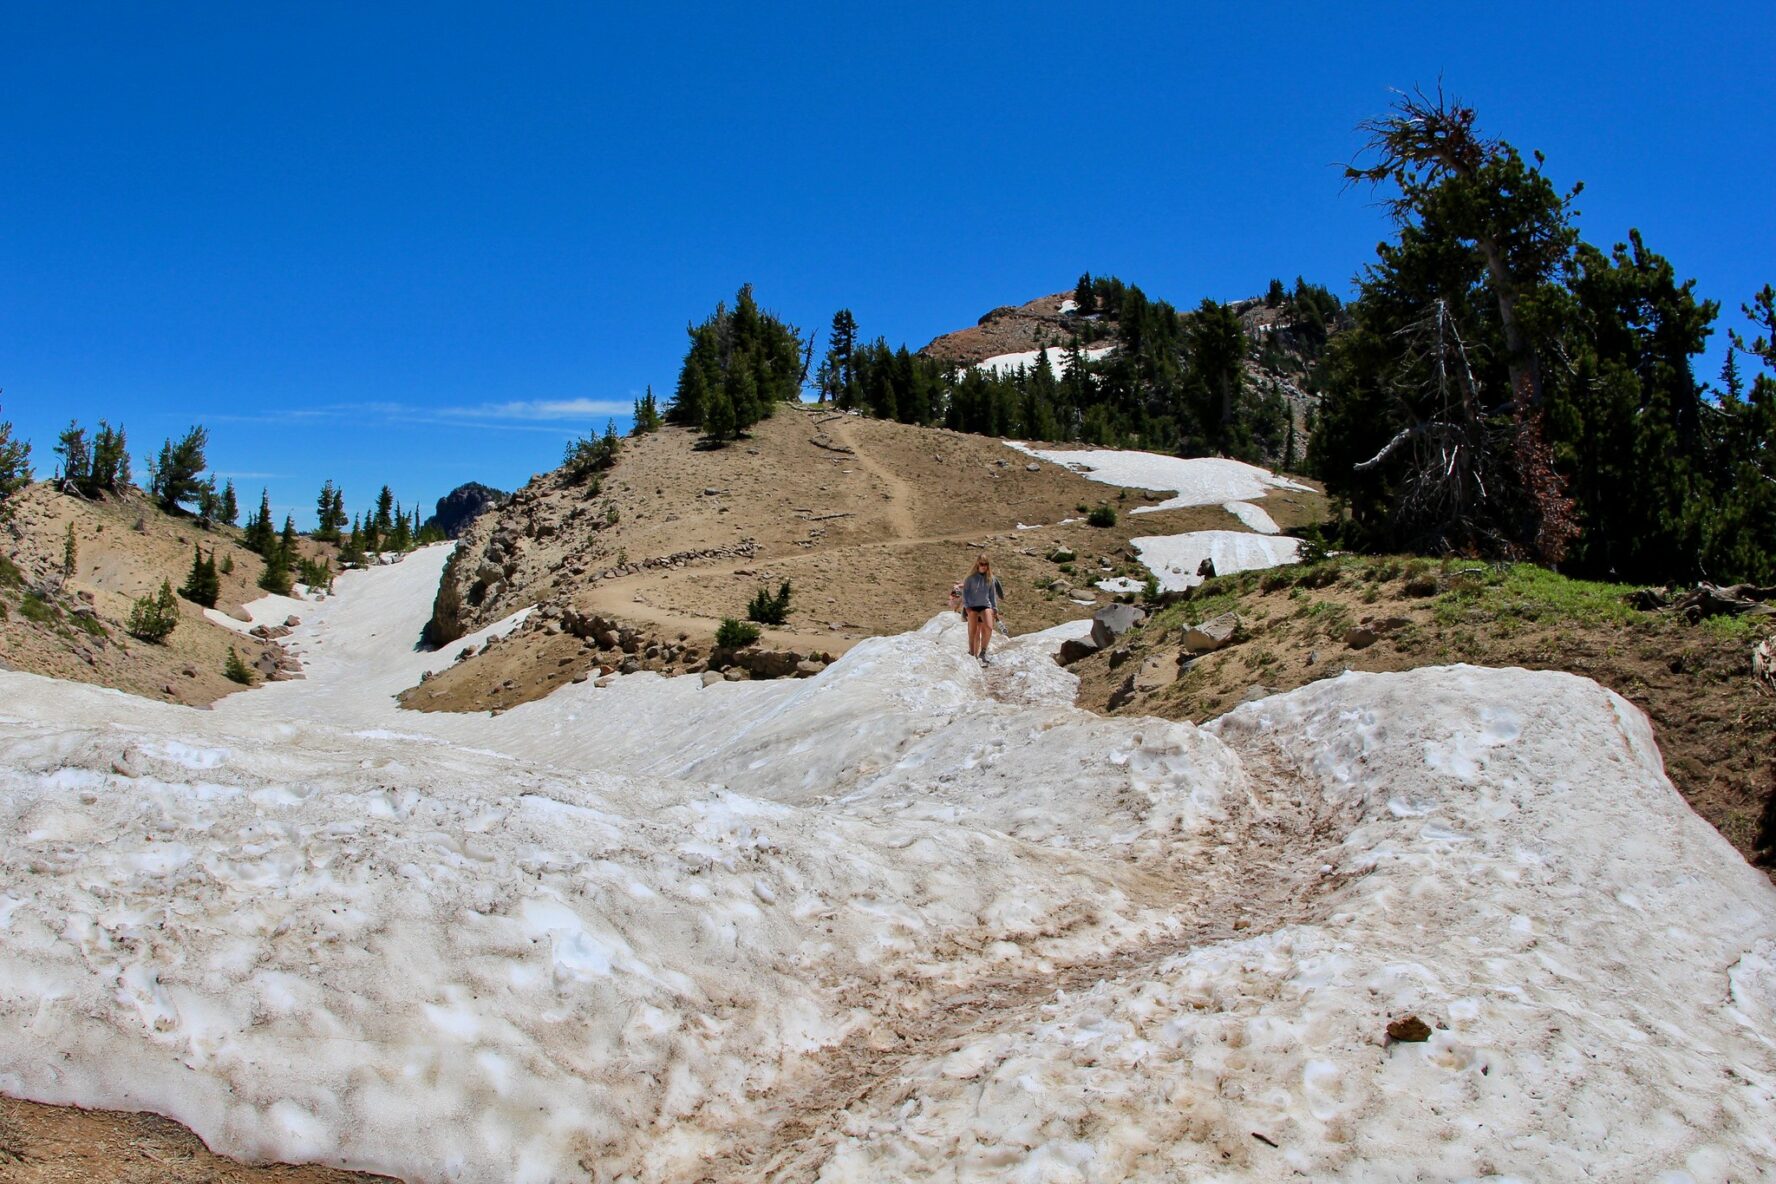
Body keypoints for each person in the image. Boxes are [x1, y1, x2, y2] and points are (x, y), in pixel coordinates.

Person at [959, 555, 1005, 665]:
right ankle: (972, 653)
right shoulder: (970, 578)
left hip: (985, 605)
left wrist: (994, 608)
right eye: (982, 564)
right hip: (972, 606)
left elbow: (992, 595)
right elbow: (965, 593)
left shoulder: (990, 579)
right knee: (973, 631)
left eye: (986, 564)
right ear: (977, 564)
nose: (984, 566)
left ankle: (983, 652)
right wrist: (967, 607)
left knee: (989, 627)